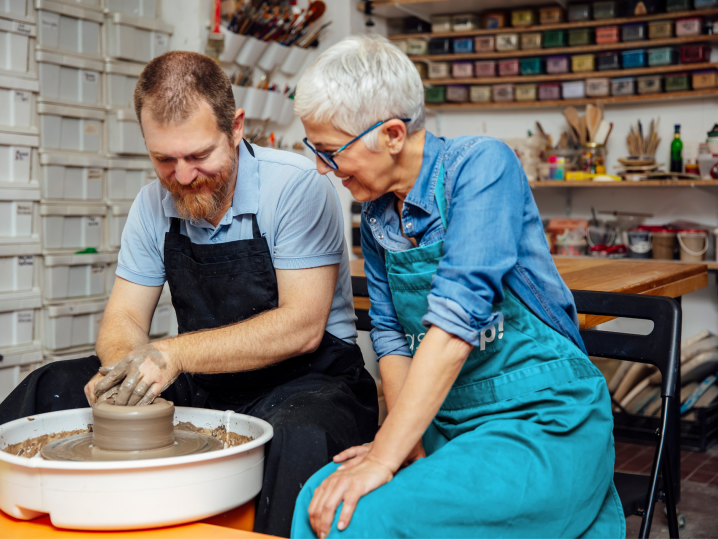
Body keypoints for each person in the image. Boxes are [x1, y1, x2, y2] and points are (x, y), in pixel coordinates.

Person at [0, 51, 378, 538]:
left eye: (199, 156)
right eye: (164, 159)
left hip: (308, 382)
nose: (182, 176)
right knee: (48, 387)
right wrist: (125, 379)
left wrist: (169, 354)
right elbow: (123, 322)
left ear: (236, 127)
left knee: (298, 437)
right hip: (206, 380)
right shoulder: (151, 204)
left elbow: (302, 327)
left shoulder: (296, 187)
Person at [290, 35, 624, 538]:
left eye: (331, 151)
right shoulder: (379, 212)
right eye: (314, 149)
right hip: (449, 420)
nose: (321, 167)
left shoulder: (482, 166)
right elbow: (391, 336)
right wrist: (405, 440)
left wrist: (384, 456)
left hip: (539, 419)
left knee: (361, 519)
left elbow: (455, 321)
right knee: (319, 500)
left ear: (394, 135)